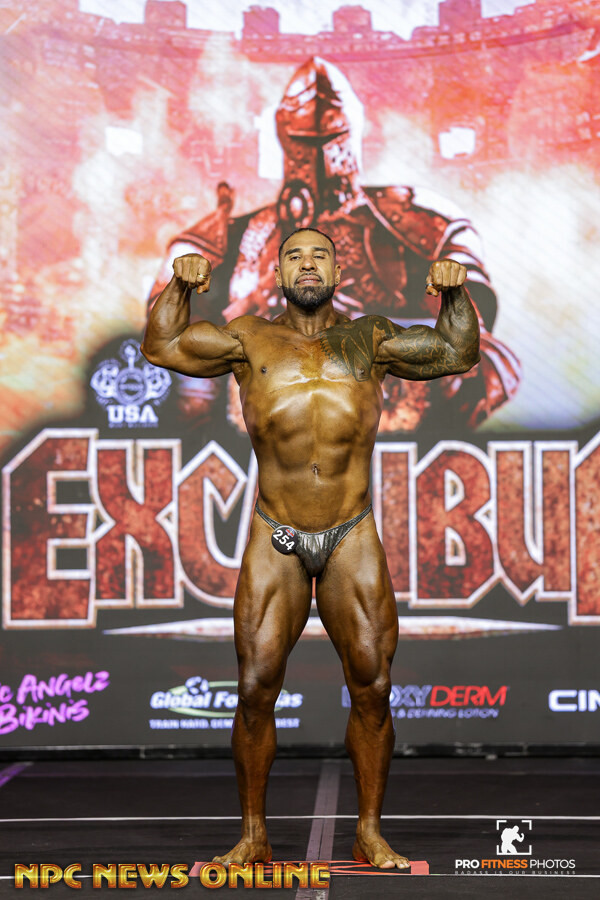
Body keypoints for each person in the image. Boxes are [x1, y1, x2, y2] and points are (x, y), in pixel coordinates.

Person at [141, 227, 480, 869]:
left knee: (373, 684)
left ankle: (369, 832)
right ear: (277, 273)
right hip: (278, 531)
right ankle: (253, 835)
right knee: (254, 685)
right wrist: (180, 285)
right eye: (294, 256)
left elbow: (457, 353)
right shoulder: (249, 339)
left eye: (319, 255)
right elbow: (162, 344)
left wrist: (454, 295)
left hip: (352, 529)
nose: (307, 264)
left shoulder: (370, 339)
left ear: (337, 271)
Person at [147, 57, 518, 432]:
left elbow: (476, 348)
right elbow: (169, 344)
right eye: (305, 140)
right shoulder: (234, 236)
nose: (319, 155)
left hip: (385, 425)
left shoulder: (418, 223)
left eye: (330, 138)